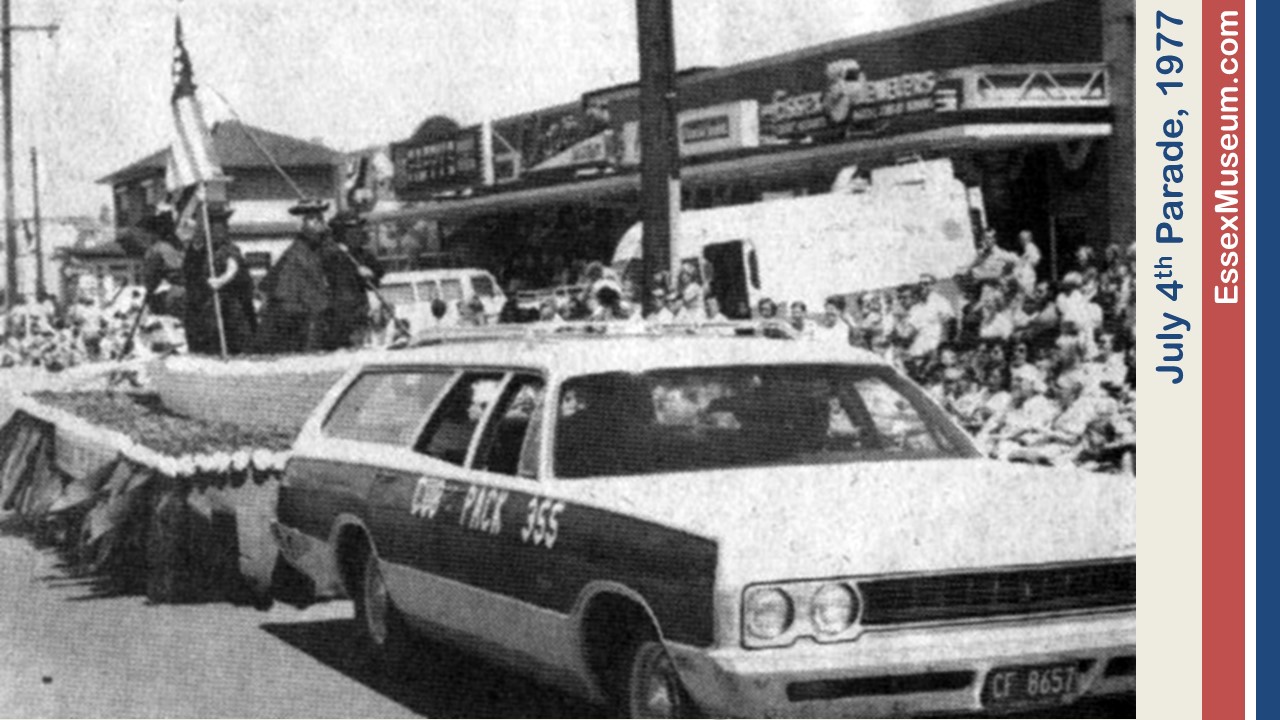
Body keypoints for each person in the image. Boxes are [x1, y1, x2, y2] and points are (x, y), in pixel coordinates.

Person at [254, 198, 333, 354]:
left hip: (305, 316)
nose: (319, 222)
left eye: (320, 218)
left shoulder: (320, 247)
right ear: (300, 224)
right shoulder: (297, 253)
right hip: (292, 318)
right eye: (312, 218)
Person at [181, 204, 256, 355]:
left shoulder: (229, 248)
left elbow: (233, 266)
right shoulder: (200, 250)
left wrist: (221, 280)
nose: (219, 232)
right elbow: (189, 269)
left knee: (235, 340)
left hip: (230, 306)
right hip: (203, 306)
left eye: (221, 227)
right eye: (214, 228)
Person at [321, 210, 384, 349]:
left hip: (359, 313)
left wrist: (370, 274)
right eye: (353, 229)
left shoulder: (361, 254)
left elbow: (377, 274)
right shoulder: (330, 253)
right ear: (342, 232)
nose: (358, 232)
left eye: (358, 228)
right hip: (336, 317)